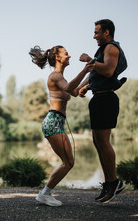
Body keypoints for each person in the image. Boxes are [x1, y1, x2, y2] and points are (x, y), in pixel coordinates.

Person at [29, 45, 94, 206]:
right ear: (58, 57)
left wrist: (91, 75)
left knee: (68, 162)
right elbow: (68, 88)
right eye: (66, 54)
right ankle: (44, 194)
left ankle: (45, 193)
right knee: (69, 162)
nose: (69, 55)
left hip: (57, 122)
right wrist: (85, 70)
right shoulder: (55, 76)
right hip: (53, 122)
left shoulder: (61, 77)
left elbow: (74, 91)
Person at [78, 19, 127, 203]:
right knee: (97, 141)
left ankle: (114, 182)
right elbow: (97, 75)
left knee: (104, 142)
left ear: (106, 32)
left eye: (97, 32)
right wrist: (85, 87)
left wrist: (89, 60)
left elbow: (107, 71)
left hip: (106, 99)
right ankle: (109, 183)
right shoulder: (103, 50)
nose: (94, 35)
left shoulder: (111, 48)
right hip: (99, 98)